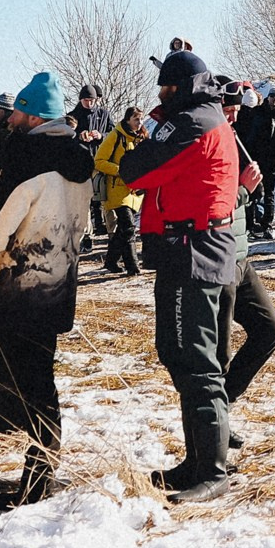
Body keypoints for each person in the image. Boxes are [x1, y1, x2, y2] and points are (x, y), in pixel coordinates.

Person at [0, 71, 93, 526]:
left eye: (16, 110)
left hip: (8, 293)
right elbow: (80, 230)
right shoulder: (78, 163)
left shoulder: (28, 158)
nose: (9, 116)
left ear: (32, 114)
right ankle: (39, 478)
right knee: (36, 384)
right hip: (53, 293)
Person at [108, 48, 243, 502]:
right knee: (176, 350)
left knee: (196, 358)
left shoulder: (193, 123)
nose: (159, 95)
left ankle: (213, 469)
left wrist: (158, 127)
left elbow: (135, 170)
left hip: (195, 250)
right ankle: (198, 459)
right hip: (185, 247)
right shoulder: (195, 117)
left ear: (179, 89)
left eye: (165, 89)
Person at [218, 87, 275, 448]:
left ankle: (222, 403)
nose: (234, 116)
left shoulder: (233, 136)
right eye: (229, 109)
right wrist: (244, 190)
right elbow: (214, 202)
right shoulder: (210, 140)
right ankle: (212, 425)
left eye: (236, 110)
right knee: (219, 353)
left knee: (270, 331)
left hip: (243, 257)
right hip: (220, 258)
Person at [92, 108, 146, 274]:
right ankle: (133, 267)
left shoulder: (142, 137)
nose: (139, 123)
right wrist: (121, 171)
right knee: (128, 226)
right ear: (127, 119)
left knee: (123, 228)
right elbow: (99, 161)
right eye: (136, 119)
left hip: (135, 190)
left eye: (141, 119)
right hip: (117, 190)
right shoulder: (115, 135)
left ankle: (111, 261)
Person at [69, 85, 114, 243]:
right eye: (86, 100)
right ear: (81, 99)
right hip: (80, 161)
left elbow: (113, 133)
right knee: (84, 197)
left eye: (92, 100)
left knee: (102, 194)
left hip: (100, 159)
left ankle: (104, 228)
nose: (89, 103)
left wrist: (101, 135)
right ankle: (86, 235)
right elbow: (65, 139)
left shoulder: (103, 114)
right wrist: (78, 137)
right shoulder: (72, 116)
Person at [241, 81, 275, 240]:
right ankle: (251, 225)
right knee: (253, 192)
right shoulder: (257, 113)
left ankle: (267, 224)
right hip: (256, 158)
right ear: (267, 97)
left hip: (270, 160)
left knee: (269, 193)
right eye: (272, 96)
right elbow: (249, 135)